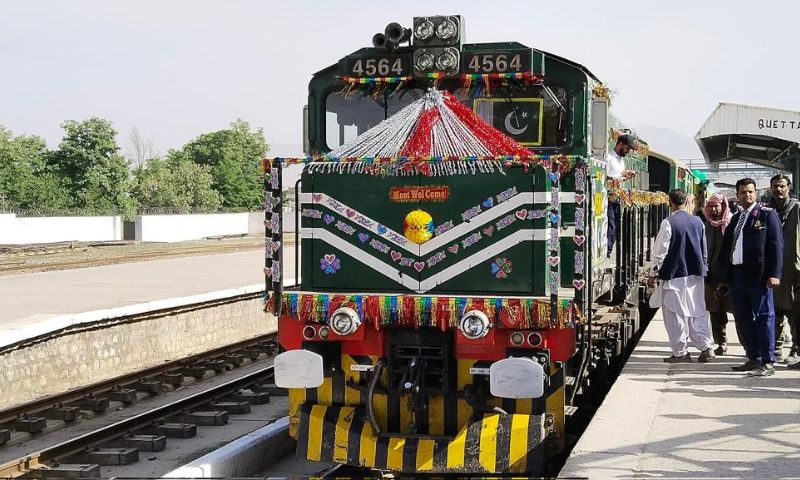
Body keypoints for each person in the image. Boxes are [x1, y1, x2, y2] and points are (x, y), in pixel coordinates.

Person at [716, 178, 784, 376]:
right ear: (737, 196)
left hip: (759, 276)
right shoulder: (736, 219)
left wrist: (774, 274)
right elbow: (727, 249)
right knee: (743, 318)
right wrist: (723, 278)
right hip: (738, 276)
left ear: (756, 193)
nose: (747, 195)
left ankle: (768, 361)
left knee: (764, 317)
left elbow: (776, 246)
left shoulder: (766, 215)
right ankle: (753, 357)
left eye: (751, 192)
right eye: (744, 192)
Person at [649, 189, 715, 363]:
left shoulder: (668, 223)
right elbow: (704, 249)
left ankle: (680, 353)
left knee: (675, 314)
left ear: (670, 203)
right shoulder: (698, 222)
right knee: (696, 311)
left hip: (674, 275)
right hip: (696, 274)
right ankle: (706, 347)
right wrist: (703, 268)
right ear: (687, 202)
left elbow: (660, 253)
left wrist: (653, 273)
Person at [767, 174, 800, 364]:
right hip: (773, 269)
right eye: (775, 186)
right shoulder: (766, 210)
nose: (778, 190)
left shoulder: (796, 208)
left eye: (782, 186)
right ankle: (776, 347)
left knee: (795, 312)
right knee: (775, 309)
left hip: (794, 269)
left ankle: (795, 349)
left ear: (789, 188)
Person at [703, 194, 737, 355]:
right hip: (711, 275)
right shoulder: (707, 224)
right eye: (712, 206)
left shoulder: (732, 222)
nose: (714, 209)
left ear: (724, 206)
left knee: (737, 310)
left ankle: (747, 344)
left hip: (730, 276)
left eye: (717, 206)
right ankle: (721, 342)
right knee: (715, 311)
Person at [606, 134, 637, 256]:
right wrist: (621, 175)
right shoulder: (608, 157)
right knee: (611, 223)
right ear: (620, 145)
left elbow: (618, 177)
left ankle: (610, 248)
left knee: (616, 224)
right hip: (609, 196)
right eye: (627, 148)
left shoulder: (621, 160)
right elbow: (605, 176)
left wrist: (625, 176)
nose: (628, 151)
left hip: (617, 196)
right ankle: (607, 249)